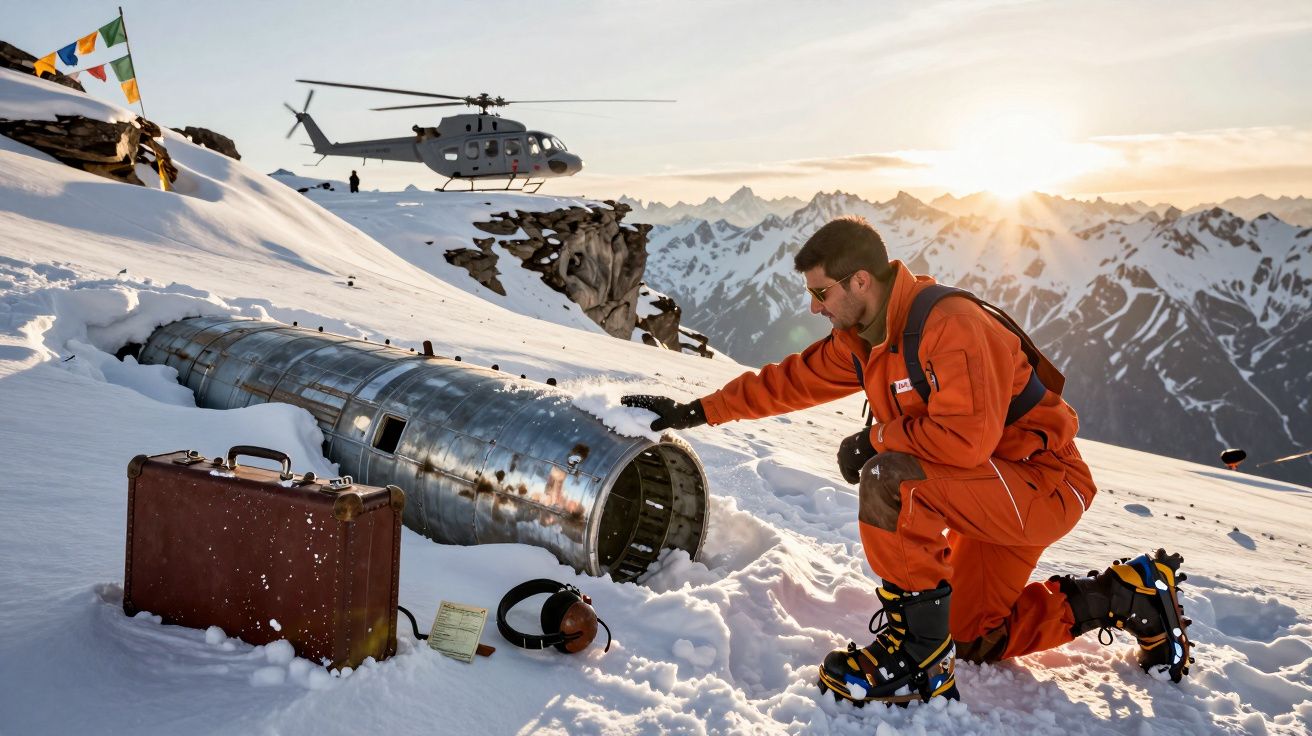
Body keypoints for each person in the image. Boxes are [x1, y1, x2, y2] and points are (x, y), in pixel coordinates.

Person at [622, 216, 1192, 706]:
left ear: (860, 281)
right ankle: (1129, 594)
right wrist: (696, 412)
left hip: (1041, 484)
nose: (814, 306)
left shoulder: (950, 327)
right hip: (985, 489)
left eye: (821, 293)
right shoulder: (865, 337)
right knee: (971, 637)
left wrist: (876, 440)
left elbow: (964, 440)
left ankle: (919, 659)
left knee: (892, 478)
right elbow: (789, 381)